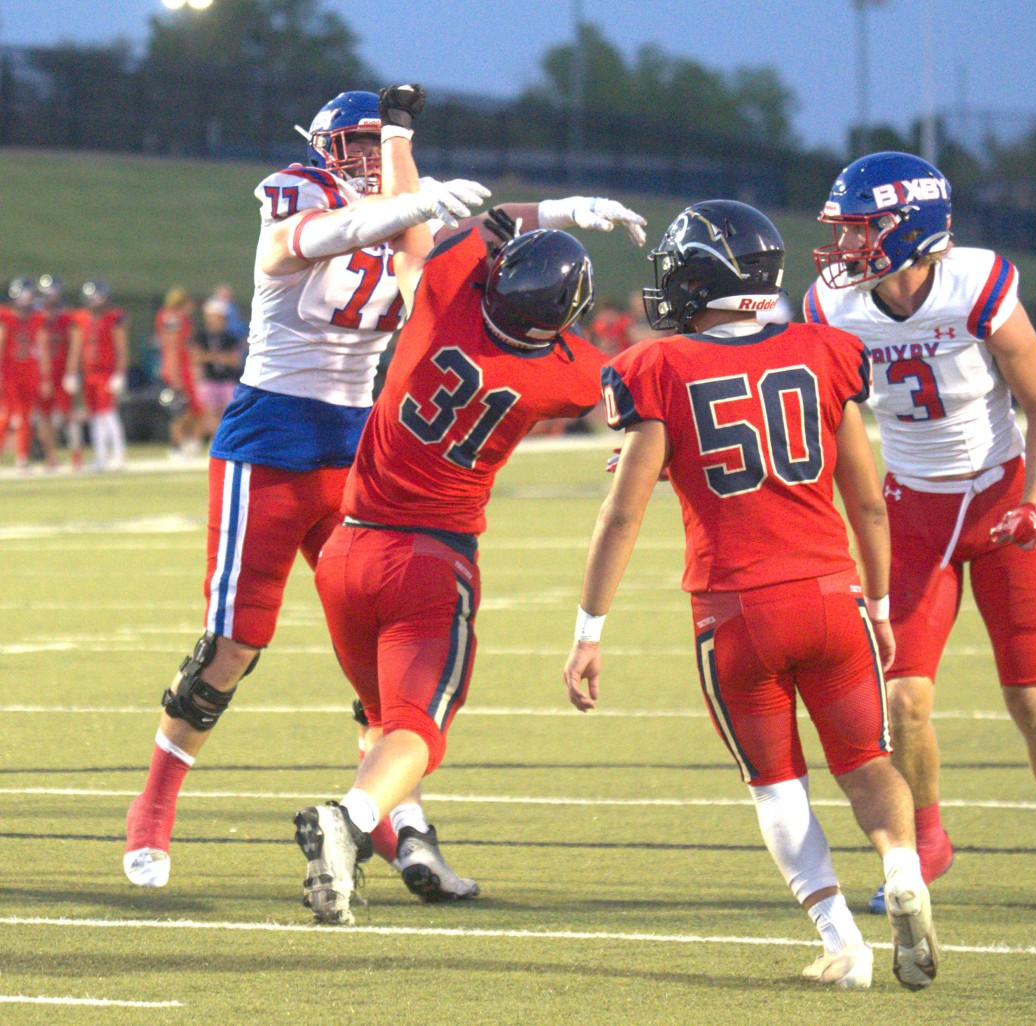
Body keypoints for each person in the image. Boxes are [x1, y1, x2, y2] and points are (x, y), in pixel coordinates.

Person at [122, 82, 645, 899]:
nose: (369, 158)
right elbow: (324, 234)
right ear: (323, 150)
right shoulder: (303, 198)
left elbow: (486, 226)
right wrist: (411, 207)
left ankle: (408, 833)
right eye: (354, 144)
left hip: (358, 448)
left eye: (381, 143)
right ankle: (153, 810)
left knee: (380, 676)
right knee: (232, 644)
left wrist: (563, 208)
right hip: (268, 438)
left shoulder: (413, 218)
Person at [564, 200, 939, 991]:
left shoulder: (657, 367)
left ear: (703, 275)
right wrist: (877, 606)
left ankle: (843, 943)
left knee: (776, 785)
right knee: (867, 760)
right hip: (832, 594)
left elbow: (623, 511)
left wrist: (589, 629)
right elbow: (868, 502)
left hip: (735, 610)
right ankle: (902, 869)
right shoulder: (825, 349)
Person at [292, 207, 646, 926]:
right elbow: (629, 392)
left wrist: (546, 212)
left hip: (347, 550)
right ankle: (353, 819)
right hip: (430, 559)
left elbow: (468, 227)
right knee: (419, 729)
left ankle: (414, 840)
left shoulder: (444, 300)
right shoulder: (566, 373)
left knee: (384, 717)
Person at [805, 151, 1036, 916]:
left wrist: (1035, 502)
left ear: (911, 227)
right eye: (843, 230)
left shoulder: (975, 283)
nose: (846, 247)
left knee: (1030, 696)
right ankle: (930, 840)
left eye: (862, 229)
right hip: (912, 515)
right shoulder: (831, 306)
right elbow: (808, 410)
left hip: (1000, 505)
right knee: (904, 698)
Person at [64, 281, 128, 472]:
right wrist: (71, 372)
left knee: (108, 414)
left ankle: (118, 455)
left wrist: (120, 373)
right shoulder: (80, 319)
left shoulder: (113, 318)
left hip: (106, 373)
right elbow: (76, 348)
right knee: (94, 416)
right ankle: (100, 456)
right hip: (89, 374)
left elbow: (121, 348)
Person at [37, 275, 85, 471]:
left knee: (68, 416)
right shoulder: (36, 316)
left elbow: (76, 342)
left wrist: (72, 370)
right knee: (44, 416)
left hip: (62, 371)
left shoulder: (67, 317)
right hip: (42, 372)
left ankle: (76, 455)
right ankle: (51, 457)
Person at [0, 277, 47, 470]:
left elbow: (42, 348)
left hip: (29, 372)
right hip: (9, 372)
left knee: (26, 416)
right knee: (7, 414)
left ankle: (22, 457)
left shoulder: (37, 319)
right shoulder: (6, 317)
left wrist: (44, 376)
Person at [154, 287, 205, 459]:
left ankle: (186, 444)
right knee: (180, 410)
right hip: (179, 369)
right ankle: (178, 446)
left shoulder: (175, 318)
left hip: (182, 367)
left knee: (190, 409)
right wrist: (174, 374)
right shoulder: (173, 318)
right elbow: (172, 347)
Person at [194, 295, 246, 437]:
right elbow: (196, 358)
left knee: (228, 413)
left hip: (227, 380)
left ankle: (223, 438)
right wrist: (215, 357)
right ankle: (213, 439)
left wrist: (216, 357)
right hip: (209, 380)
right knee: (208, 413)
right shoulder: (202, 337)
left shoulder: (230, 338)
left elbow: (235, 360)